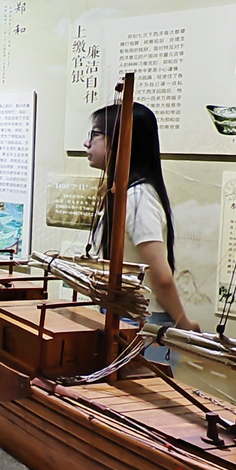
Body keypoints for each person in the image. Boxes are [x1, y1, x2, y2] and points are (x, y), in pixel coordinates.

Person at [84, 101, 200, 353]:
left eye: (95, 134)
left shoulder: (139, 199)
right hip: (125, 316)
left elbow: (161, 276)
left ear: (123, 140)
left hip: (143, 323)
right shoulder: (123, 194)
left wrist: (184, 324)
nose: (86, 143)